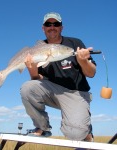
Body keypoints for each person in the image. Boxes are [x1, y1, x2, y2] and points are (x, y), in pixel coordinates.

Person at [20, 12, 96, 142]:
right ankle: (42, 127)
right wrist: (31, 67)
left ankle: (85, 130)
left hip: (76, 93)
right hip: (51, 92)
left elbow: (91, 73)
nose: (52, 26)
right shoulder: (37, 48)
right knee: (27, 88)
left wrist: (83, 61)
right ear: (43, 28)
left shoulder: (74, 43)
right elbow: (36, 79)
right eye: (48, 24)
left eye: (56, 24)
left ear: (61, 27)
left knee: (76, 134)